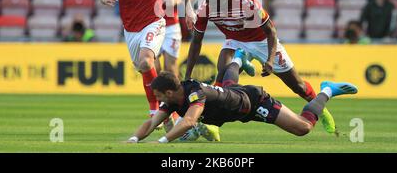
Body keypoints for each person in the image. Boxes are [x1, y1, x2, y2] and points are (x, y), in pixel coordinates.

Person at [184, 0, 337, 134]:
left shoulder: (246, 1)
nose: (216, 5)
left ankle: (320, 107)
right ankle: (213, 126)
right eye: (212, 1)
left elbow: (270, 31)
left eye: (219, 1)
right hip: (235, 40)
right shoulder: (205, 9)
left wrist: (270, 60)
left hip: (261, 41)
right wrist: (188, 75)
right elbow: (196, 42)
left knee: (298, 86)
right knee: (222, 76)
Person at [100, 0, 195, 118]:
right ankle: (165, 113)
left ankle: (163, 112)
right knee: (147, 67)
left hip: (159, 23)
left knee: (166, 68)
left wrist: (188, 10)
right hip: (131, 28)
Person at [126, 71, 357, 143]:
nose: (157, 99)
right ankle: (238, 56)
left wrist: (162, 142)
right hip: (236, 100)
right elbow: (151, 122)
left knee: (303, 128)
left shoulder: (194, 93)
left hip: (255, 103)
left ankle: (327, 90)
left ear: (168, 92)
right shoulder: (173, 99)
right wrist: (134, 140)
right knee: (229, 86)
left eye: (158, 95)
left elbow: (188, 121)